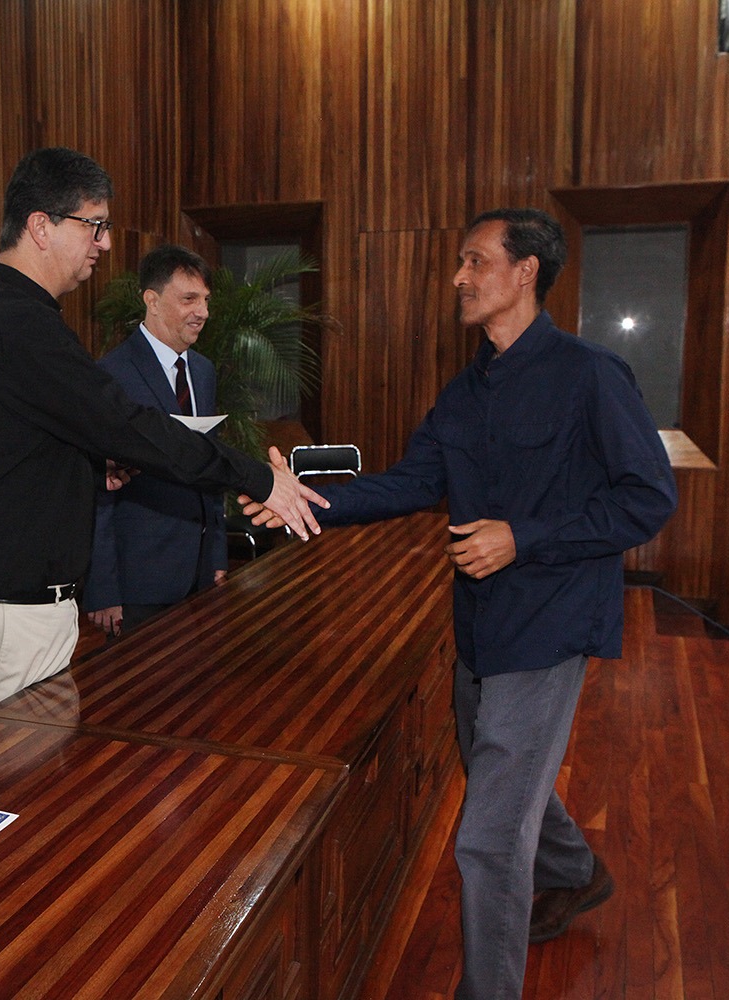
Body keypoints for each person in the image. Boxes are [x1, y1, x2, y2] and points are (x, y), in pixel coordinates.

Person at [242, 209, 677, 1000]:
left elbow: (648, 499)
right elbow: (413, 482)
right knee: (499, 774)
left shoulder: (591, 375)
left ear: (526, 272)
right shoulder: (464, 391)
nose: (458, 278)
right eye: (460, 264)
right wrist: (302, 499)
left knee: (489, 840)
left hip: (549, 628)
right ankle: (575, 871)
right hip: (479, 626)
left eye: (475, 262)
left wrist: (524, 538)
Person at [0, 147, 325, 724]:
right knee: (23, 777)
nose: (105, 243)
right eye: (94, 225)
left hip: (3, 609)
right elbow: (130, 424)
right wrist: (256, 477)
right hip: (7, 617)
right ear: (41, 226)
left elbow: (10, 455)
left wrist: (91, 469)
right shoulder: (21, 326)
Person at [84, 245, 227, 636]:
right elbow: (98, 487)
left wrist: (216, 554)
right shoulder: (111, 374)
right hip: (137, 582)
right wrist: (103, 587)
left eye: (206, 300)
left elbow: (211, 466)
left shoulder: (203, 372)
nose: (203, 312)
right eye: (189, 299)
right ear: (152, 301)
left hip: (199, 573)